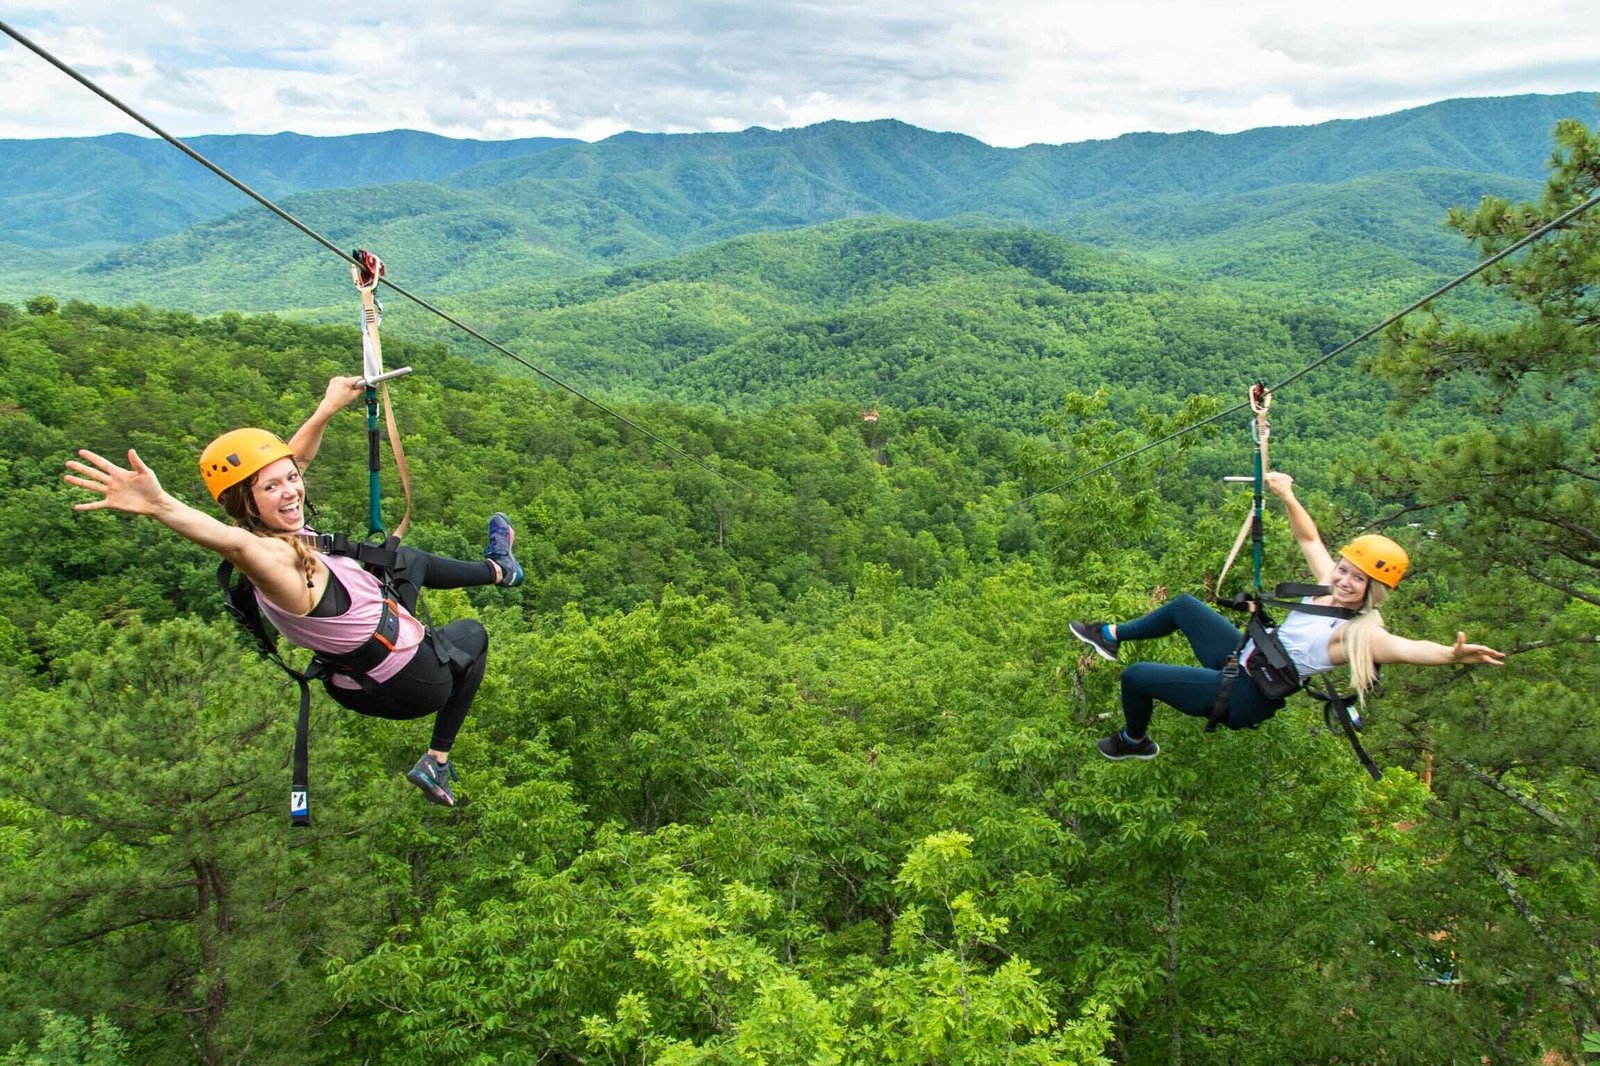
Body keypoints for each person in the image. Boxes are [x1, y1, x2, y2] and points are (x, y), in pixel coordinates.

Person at [63, 375, 524, 806]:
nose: (290, 490)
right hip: (410, 683)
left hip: (354, 679)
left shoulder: (278, 530)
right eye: (272, 486)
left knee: (406, 560)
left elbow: (296, 457)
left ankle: (499, 570)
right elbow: (231, 541)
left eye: (291, 479)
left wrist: (326, 409)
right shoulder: (273, 560)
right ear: (247, 502)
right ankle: (437, 761)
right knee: (473, 635)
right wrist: (161, 505)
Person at [1069, 471, 1504, 761]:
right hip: (1245, 656)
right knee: (1184, 606)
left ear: (1375, 591)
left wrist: (1451, 654)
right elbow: (1310, 538)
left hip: (1246, 694)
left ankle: (1134, 741)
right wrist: (1287, 495)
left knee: (1138, 678)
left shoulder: (1359, 634)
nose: (1345, 580)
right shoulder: (1329, 589)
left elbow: (1408, 649)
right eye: (1345, 569)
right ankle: (1110, 634)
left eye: (1358, 580)